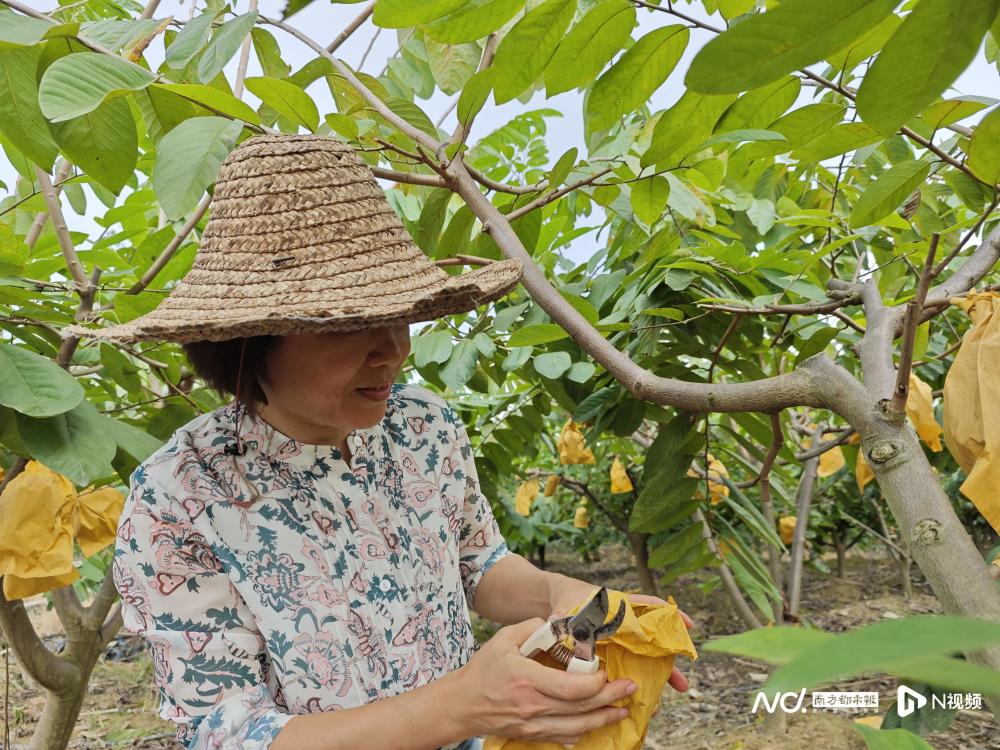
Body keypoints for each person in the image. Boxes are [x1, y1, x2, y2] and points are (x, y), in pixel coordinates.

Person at [62, 134, 692, 750]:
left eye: (398, 315)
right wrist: (459, 705)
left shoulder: (423, 426)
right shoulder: (179, 497)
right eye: (352, 324)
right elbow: (225, 731)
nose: (392, 350)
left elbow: (480, 565)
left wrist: (569, 600)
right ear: (250, 338)